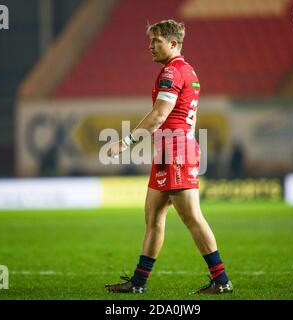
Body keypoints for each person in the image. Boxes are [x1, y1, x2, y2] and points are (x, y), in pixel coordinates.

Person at [105, 19, 233, 294]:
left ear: (172, 44)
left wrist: (127, 141)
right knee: (153, 217)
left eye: (156, 41)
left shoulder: (171, 74)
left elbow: (160, 115)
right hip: (170, 151)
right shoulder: (187, 70)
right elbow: (187, 116)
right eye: (151, 41)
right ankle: (138, 283)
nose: (150, 46)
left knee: (192, 218)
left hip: (175, 153)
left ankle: (222, 280)